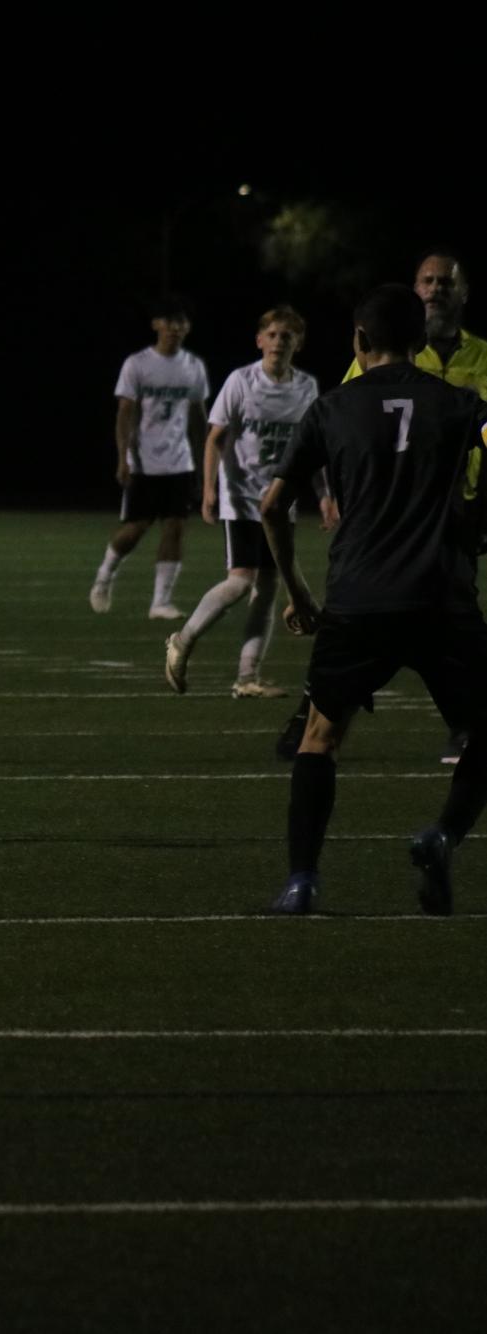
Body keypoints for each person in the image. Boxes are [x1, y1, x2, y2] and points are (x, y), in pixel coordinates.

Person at [258, 284, 487, 916]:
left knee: (319, 739)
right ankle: (442, 835)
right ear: (419, 342)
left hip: (358, 598)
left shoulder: (331, 408)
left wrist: (301, 593)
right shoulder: (461, 403)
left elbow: (273, 507)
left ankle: (302, 882)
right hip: (443, 595)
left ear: (359, 341)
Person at [275, 250, 487, 764]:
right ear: (414, 293)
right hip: (392, 507)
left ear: (464, 293)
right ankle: (317, 707)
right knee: (404, 614)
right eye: (427, 280)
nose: (436, 289)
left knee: (434, 613)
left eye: (446, 282)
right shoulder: (372, 362)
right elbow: (346, 428)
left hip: (461, 510)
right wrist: (339, 495)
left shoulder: (482, 356)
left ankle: (462, 725)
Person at [162, 307, 318, 697]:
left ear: (299, 343)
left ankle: (247, 677)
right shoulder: (241, 381)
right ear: (259, 340)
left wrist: (327, 495)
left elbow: (311, 448)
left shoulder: (306, 388)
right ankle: (183, 638)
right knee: (241, 579)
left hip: (281, 500)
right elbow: (215, 437)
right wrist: (211, 488)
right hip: (244, 496)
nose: (279, 341)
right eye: (273, 334)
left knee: (265, 588)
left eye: (288, 336)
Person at [90, 297, 210, 619]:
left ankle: (160, 601)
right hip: (144, 461)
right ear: (156, 324)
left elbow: (198, 417)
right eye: (169, 321)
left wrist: (203, 462)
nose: (175, 327)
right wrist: (123, 457)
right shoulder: (138, 364)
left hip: (180, 461)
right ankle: (105, 576)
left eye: (181, 322)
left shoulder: (193, 367)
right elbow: (125, 414)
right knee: (136, 529)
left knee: (175, 528)